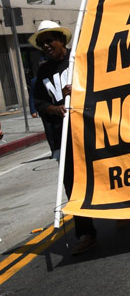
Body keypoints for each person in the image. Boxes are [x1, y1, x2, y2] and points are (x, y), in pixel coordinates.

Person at [31, 20, 97, 255]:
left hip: (89, 129)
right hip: (63, 135)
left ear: (62, 40)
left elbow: (97, 84)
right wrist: (55, 108)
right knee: (73, 183)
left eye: (49, 40)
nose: (46, 46)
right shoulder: (43, 72)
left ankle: (122, 211)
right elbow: (39, 102)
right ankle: (86, 233)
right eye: (42, 43)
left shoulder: (78, 60)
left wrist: (76, 90)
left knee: (103, 171)